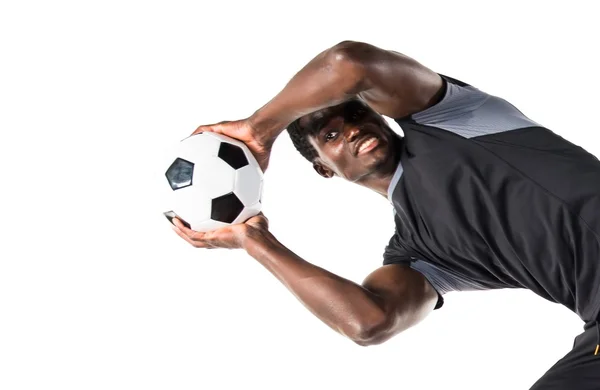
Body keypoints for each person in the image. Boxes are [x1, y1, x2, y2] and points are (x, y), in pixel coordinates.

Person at [170, 40, 600, 389]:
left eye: (357, 115)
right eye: (331, 133)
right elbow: (367, 323)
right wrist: (255, 241)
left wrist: (260, 127)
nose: (353, 129)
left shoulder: (451, 118)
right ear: (323, 168)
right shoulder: (420, 254)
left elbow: (349, 61)